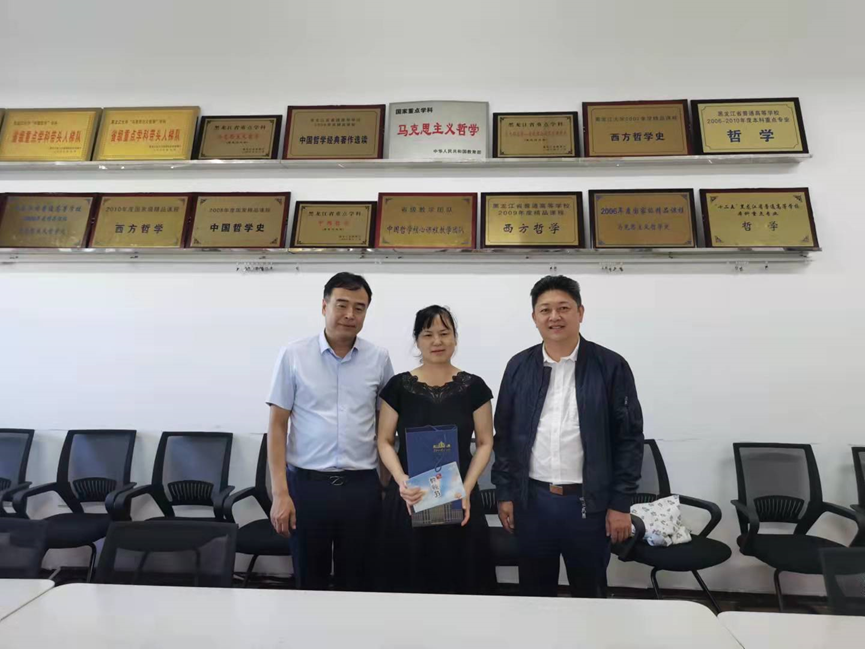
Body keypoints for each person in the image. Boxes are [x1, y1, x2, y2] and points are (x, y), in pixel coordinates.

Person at [492, 275, 643, 598]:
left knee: (589, 594)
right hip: (533, 503)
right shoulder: (518, 367)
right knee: (535, 594)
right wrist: (505, 493)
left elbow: (629, 440)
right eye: (545, 310)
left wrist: (620, 504)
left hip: (588, 506)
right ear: (534, 317)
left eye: (563, 308)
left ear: (580, 312)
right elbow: (503, 437)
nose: (554, 317)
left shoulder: (610, 366)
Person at [266, 272, 394, 591]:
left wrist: (385, 485)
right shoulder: (293, 355)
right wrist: (280, 493)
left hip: (361, 488)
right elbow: (277, 426)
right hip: (308, 488)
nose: (350, 314)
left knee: (360, 583)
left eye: (359, 308)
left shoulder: (379, 359)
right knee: (310, 582)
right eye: (342, 305)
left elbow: (386, 427)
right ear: (324, 306)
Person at [377, 305, 496, 594]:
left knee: (462, 579)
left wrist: (466, 488)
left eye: (444, 333)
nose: (437, 341)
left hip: (460, 498)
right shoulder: (398, 387)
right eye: (428, 334)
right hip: (410, 497)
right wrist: (401, 480)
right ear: (417, 341)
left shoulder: (474, 387)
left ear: (455, 338)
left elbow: (485, 442)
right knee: (408, 580)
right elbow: (384, 440)